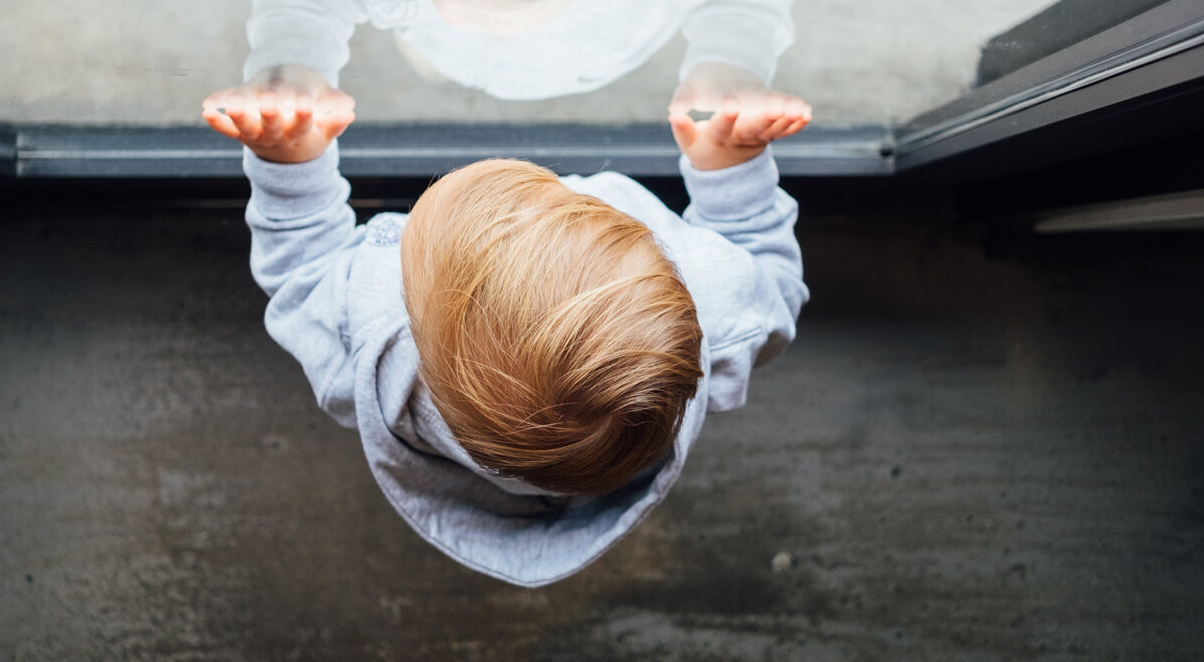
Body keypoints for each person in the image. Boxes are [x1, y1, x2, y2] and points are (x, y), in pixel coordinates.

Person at [200, 86, 810, 587]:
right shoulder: (715, 298)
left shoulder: (371, 343)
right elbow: (773, 284)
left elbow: (306, 274)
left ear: (411, 312)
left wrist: (289, 162)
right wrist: (731, 169)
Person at [203, 0, 811, 130]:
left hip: (586, 62)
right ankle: (435, 65)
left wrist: (728, 62)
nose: (446, 11)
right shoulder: (434, 11)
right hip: (429, 50)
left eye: (488, 9)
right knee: (430, 43)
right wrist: (293, 59)